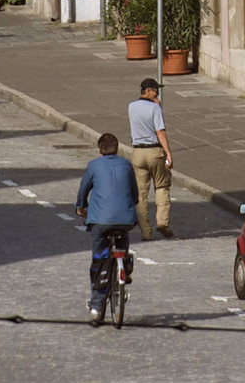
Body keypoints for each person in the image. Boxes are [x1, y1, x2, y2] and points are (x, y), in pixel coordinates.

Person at [75, 129, 139, 326]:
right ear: (117, 149)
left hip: (100, 222)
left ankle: (96, 306)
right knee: (123, 237)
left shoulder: (94, 166)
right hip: (126, 219)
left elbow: (83, 190)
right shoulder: (127, 165)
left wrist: (80, 207)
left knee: (99, 260)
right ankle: (125, 266)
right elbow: (135, 193)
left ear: (99, 149)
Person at [126, 78, 174, 241]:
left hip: (138, 152)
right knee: (162, 186)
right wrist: (168, 153)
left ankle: (146, 232)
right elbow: (160, 132)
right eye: (155, 90)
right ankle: (162, 222)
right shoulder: (155, 108)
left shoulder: (131, 106)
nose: (157, 93)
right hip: (154, 151)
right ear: (147, 91)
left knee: (141, 193)